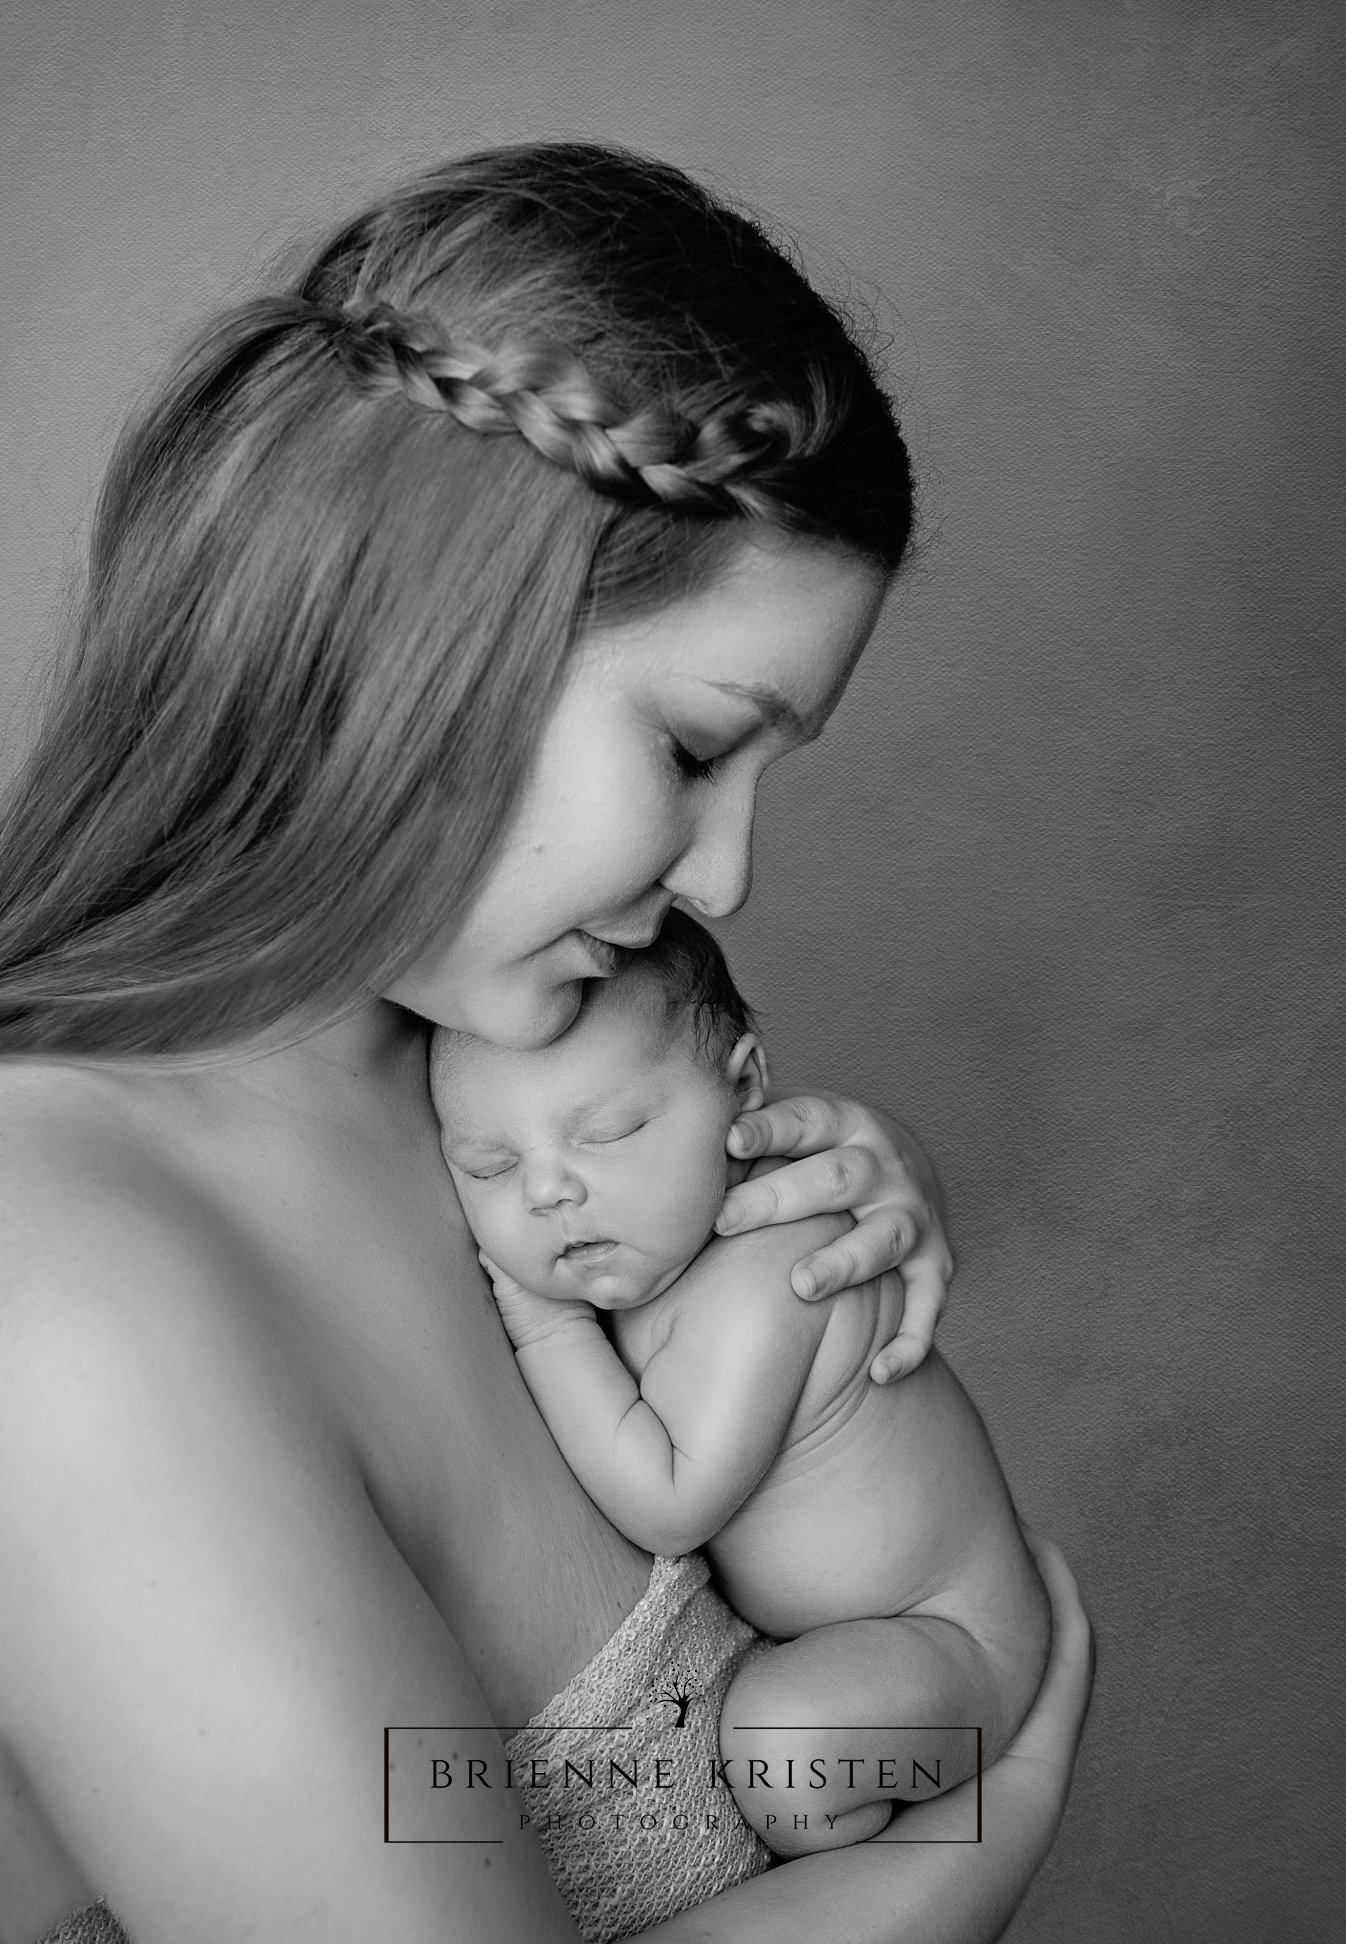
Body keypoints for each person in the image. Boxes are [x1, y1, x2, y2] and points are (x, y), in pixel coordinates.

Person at [0, 143, 1091, 1943]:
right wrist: (962, 1856)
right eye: (689, 747)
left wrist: (812, 1212)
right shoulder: (59, 1273)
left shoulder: (481, 1080)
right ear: (421, 647)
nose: (724, 871)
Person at [432, 908, 1051, 1865]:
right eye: (490, 1165)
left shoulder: (774, 1274)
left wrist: (547, 1325)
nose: (548, 1191)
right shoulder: (647, 1243)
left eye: (610, 1131)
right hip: (845, 1639)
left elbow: (669, 1505)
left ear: (745, 1093)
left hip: (943, 1637)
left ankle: (852, 1885)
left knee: (782, 1742)